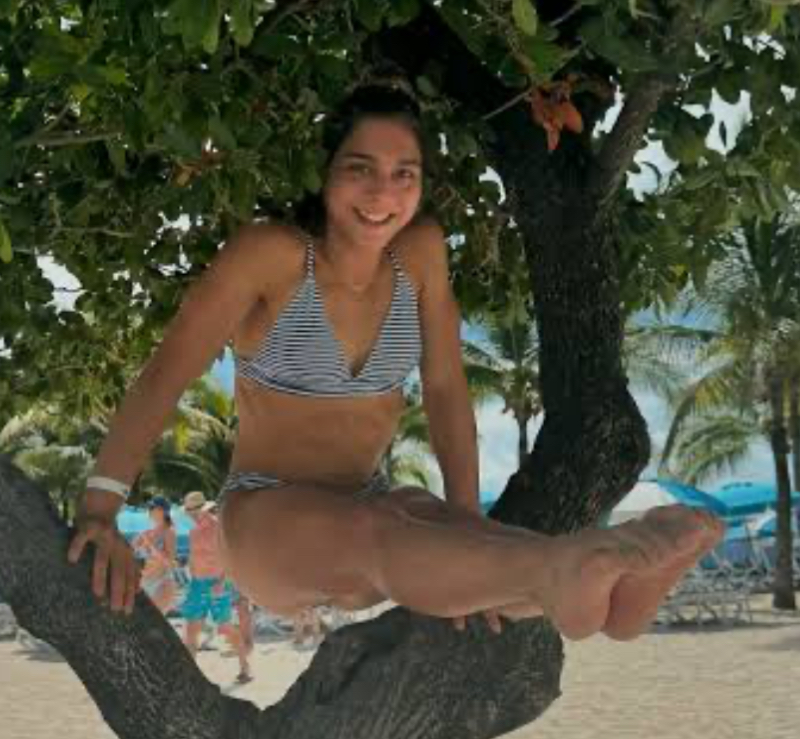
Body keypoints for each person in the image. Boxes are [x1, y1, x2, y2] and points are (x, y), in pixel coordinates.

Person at [69, 77, 725, 644]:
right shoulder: (270, 256)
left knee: (432, 521)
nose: (383, 191)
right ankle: (574, 569)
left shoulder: (420, 254)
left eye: (404, 173)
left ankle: (617, 598)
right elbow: (165, 376)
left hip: (373, 506)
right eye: (360, 167)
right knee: (383, 525)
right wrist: (100, 510)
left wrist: (467, 524)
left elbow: (444, 388)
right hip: (268, 523)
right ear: (326, 171)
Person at [180, 493, 253, 685]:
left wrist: (222, 583)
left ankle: (244, 665)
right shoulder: (193, 532)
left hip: (218, 582)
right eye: (188, 511)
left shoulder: (219, 528)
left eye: (194, 511)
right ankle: (190, 676)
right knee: (191, 629)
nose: (191, 515)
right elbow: (193, 557)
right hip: (197, 584)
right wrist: (191, 580)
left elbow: (232, 558)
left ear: (203, 509)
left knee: (225, 628)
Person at [131, 496, 181, 615]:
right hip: (143, 582)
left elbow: (169, 561)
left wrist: (150, 546)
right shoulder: (147, 533)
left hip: (161, 583)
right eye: (149, 508)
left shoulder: (169, 532)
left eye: (152, 507)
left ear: (162, 511)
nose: (149, 510)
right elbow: (131, 553)